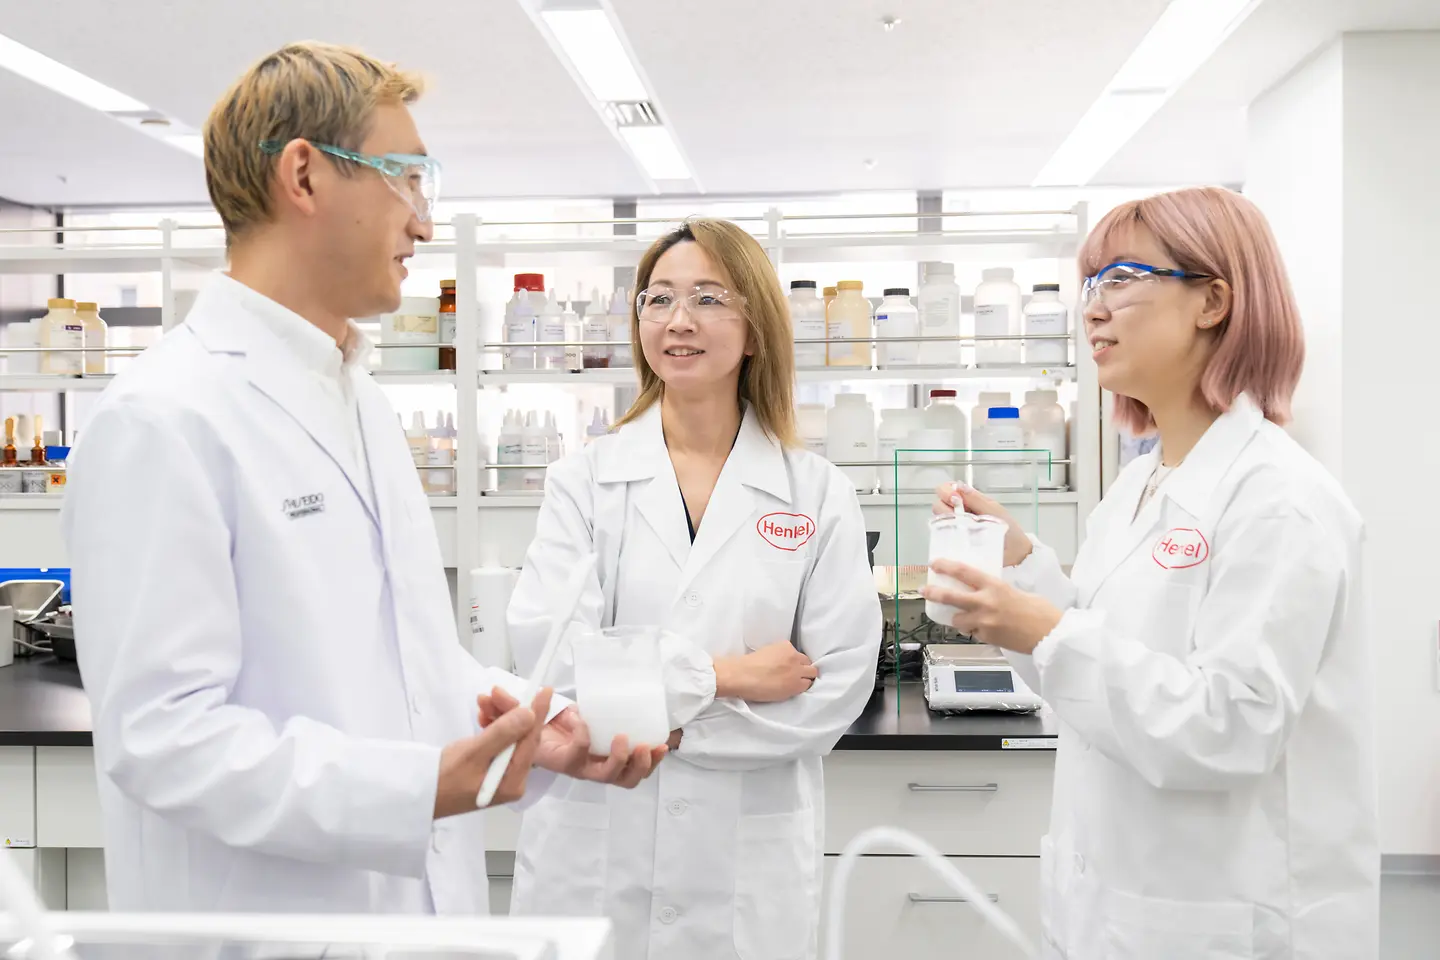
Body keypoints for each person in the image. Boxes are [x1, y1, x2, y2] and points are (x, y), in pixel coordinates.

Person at [60, 41, 665, 921]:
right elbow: (164, 740)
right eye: (406, 177)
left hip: (416, 923)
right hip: (268, 930)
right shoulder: (162, 418)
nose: (422, 220)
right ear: (303, 176)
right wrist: (417, 786)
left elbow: (402, 662)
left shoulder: (359, 400)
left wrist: (532, 734)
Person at [923, 186, 1378, 959]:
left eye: (1122, 279)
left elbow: (1231, 728)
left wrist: (1050, 629)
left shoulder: (1280, 501)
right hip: (1120, 904)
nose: (1092, 310)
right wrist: (1026, 572)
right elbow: (1099, 655)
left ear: (1213, 301)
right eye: (1090, 286)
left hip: (1228, 916)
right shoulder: (1141, 485)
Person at [505, 219, 882, 959]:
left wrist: (656, 719)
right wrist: (728, 677)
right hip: (596, 853)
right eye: (658, 299)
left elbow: (834, 688)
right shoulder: (583, 482)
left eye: (709, 298)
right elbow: (561, 671)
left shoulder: (815, 493)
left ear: (756, 329)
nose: (679, 321)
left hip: (743, 862)